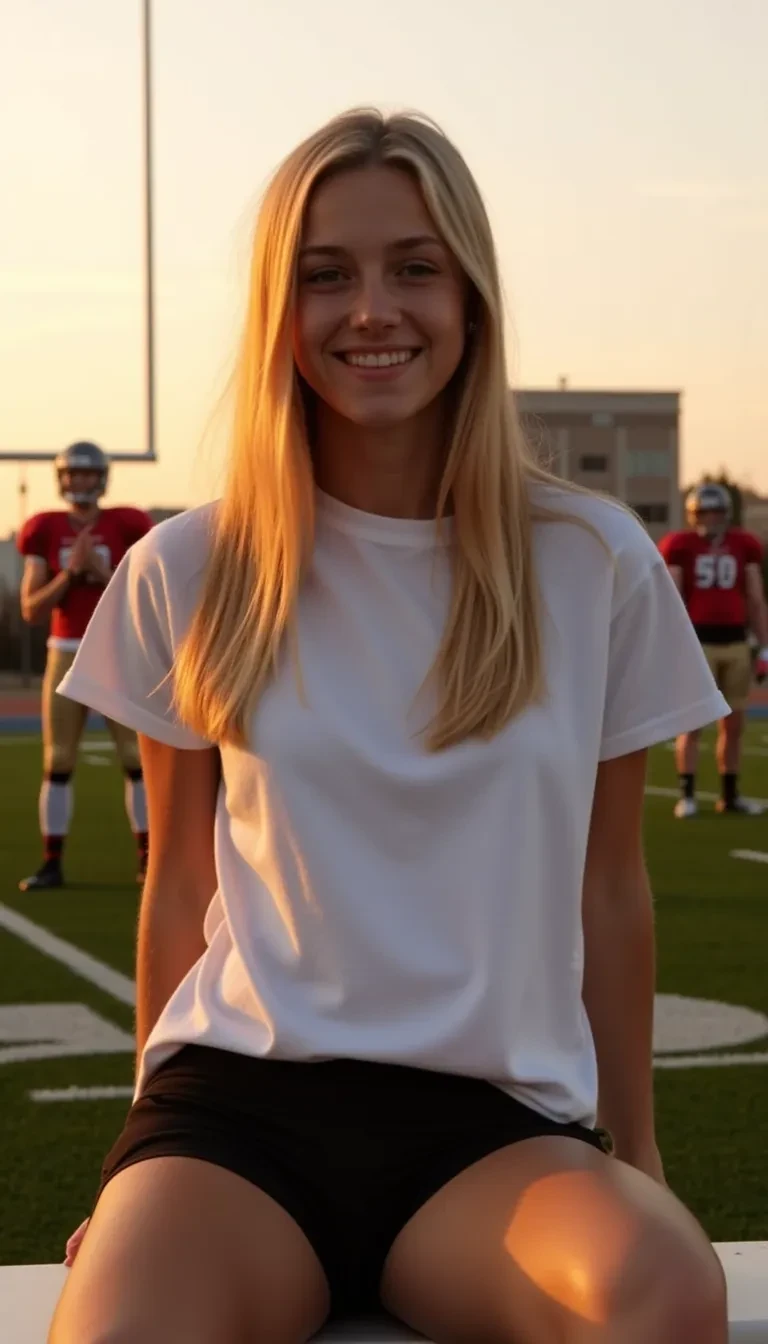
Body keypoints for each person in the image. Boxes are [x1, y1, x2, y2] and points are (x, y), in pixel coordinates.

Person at [50, 110, 728, 1344]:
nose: (373, 309)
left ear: (470, 295)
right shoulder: (190, 566)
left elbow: (611, 887)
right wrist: (132, 1170)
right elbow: (179, 878)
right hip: (238, 1116)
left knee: (662, 1291)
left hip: (492, 1127)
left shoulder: (590, 563)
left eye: (414, 266)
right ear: (281, 309)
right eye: (327, 275)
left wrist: (637, 1155)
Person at [17, 441, 154, 891]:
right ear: (62, 479)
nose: (80, 482)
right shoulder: (44, 528)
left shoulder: (126, 523)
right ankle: (52, 862)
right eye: (73, 475)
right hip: (65, 649)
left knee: (136, 759)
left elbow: (145, 594)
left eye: (87, 474)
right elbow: (32, 609)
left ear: (102, 477)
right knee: (58, 760)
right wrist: (70, 575)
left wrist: (102, 572)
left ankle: (148, 859)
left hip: (116, 647)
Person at [659, 481, 768, 819]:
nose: (711, 517)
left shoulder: (743, 544)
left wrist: (764, 648)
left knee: (734, 724)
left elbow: (754, 597)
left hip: (736, 641)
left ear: (727, 513)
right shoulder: (680, 546)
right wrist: (674, 647)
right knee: (691, 722)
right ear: (693, 514)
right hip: (698, 642)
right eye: (704, 511)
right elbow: (673, 599)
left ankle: (729, 796)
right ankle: (687, 794)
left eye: (716, 511)